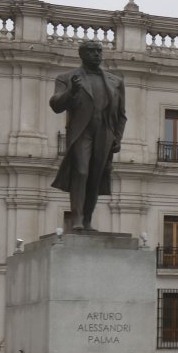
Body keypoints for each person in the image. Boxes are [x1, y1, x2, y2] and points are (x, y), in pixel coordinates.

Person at [50, 41, 127, 231]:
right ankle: (76, 218)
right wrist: (71, 91)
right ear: (82, 54)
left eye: (99, 51)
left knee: (95, 176)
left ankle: (87, 220)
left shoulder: (115, 82)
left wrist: (117, 137)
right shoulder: (67, 78)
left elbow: (121, 115)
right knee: (81, 172)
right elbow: (56, 105)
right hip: (81, 132)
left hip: (105, 132)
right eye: (92, 51)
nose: (97, 55)